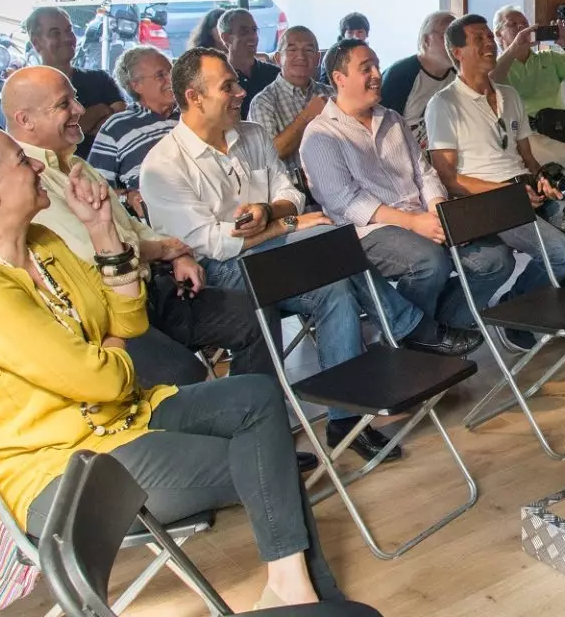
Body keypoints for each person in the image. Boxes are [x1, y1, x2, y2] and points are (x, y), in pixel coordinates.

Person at [0, 119, 343, 607]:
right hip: (69, 471)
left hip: (122, 419)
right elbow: (103, 379)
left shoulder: (42, 243)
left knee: (256, 398)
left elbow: (125, 322)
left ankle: (290, 588)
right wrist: (108, 349)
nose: (33, 166)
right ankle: (304, 595)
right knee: (268, 458)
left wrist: (104, 233)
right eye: (20, 161)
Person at [140, 47, 411, 462]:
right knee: (329, 239)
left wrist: (271, 212)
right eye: (227, 86)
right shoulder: (164, 164)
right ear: (194, 98)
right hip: (216, 274)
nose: (240, 92)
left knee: (335, 289)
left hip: (276, 256)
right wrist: (284, 224)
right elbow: (210, 243)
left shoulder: (249, 135)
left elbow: (290, 194)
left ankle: (345, 420)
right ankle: (407, 327)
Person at [4, 65, 270, 389]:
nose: (80, 110)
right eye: (64, 105)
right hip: (107, 318)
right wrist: (163, 249)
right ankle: (226, 423)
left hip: (152, 292)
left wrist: (175, 255)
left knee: (257, 313)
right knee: (184, 375)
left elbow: (130, 225)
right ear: (24, 120)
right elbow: (93, 255)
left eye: (75, 99)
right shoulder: (27, 182)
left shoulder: (76, 163)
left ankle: (248, 411)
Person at [426, 15, 565, 352]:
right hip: (488, 202)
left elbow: (528, 158)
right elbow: (449, 179)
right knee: (561, 252)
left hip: (525, 189)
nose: (489, 43)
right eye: (479, 39)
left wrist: (540, 179)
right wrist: (509, 193)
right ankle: (517, 317)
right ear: (457, 51)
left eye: (490, 36)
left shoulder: (508, 94)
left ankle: (549, 307)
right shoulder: (444, 104)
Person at [301, 39, 510, 356]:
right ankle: (412, 346)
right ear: (338, 78)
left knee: (496, 260)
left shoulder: (393, 119)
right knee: (428, 261)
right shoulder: (320, 135)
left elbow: (424, 173)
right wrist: (413, 223)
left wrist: (438, 208)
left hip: (422, 218)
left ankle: (430, 334)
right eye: (365, 68)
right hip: (368, 231)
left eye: (376, 65)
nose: (376, 74)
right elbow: (346, 202)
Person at [491, 4, 565, 217]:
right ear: (498, 34)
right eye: (513, 24)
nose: (520, 27)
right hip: (525, 141)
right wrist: (513, 49)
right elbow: (490, 81)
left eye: (524, 24)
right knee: (528, 138)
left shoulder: (548, 58)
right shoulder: (498, 65)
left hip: (561, 131)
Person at [88, 45, 179, 219]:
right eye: (161, 75)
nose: (171, 79)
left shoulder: (190, 114)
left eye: (172, 72)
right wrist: (127, 197)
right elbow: (94, 189)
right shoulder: (117, 127)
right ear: (136, 85)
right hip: (159, 225)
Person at [25, 6, 127, 159]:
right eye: (55, 33)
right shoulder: (27, 90)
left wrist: (70, 127)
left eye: (68, 31)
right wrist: (101, 110)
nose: (66, 38)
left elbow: (121, 126)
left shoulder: (100, 79)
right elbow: (49, 142)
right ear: (36, 42)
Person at [248, 26, 332, 190]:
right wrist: (307, 116)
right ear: (278, 58)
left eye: (308, 50)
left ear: (317, 58)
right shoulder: (263, 102)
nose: (301, 56)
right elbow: (271, 155)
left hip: (339, 184)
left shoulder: (331, 93)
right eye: (292, 50)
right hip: (294, 194)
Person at [380, 10, 457, 148]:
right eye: (447, 36)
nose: (454, 43)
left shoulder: (458, 75)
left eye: (457, 36)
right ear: (426, 40)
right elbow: (379, 125)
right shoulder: (400, 74)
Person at [218, 8, 280, 117]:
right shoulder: (218, 78)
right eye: (244, 31)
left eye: (254, 30)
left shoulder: (274, 75)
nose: (253, 36)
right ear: (226, 38)